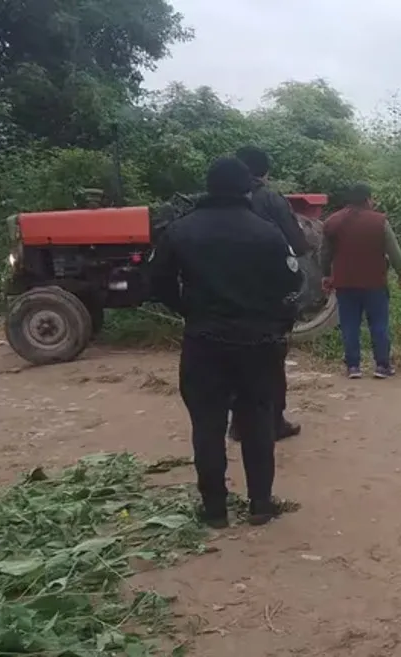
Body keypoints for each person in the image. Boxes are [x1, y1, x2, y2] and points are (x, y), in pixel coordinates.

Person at [149, 157, 301, 528]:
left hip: (204, 342)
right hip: (258, 344)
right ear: (247, 189)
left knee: (207, 425)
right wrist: (272, 320)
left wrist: (189, 310)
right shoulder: (267, 233)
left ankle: (214, 510)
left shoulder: (181, 231)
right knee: (258, 422)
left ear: (209, 187)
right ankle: (261, 505)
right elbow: (291, 286)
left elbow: (155, 283)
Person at [230, 146, 307, 441]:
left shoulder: (214, 202)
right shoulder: (271, 199)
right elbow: (297, 244)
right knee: (270, 360)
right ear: (265, 172)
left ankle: (238, 423)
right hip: (266, 296)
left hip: (225, 295)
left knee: (234, 360)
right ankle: (273, 422)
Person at [320, 183, 401, 378]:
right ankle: (382, 366)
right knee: (378, 324)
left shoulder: (332, 221)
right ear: (368, 199)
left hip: (344, 283)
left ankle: (353, 367)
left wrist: (326, 275)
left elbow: (324, 254)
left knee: (350, 324)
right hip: (374, 282)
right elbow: (395, 253)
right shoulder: (379, 221)